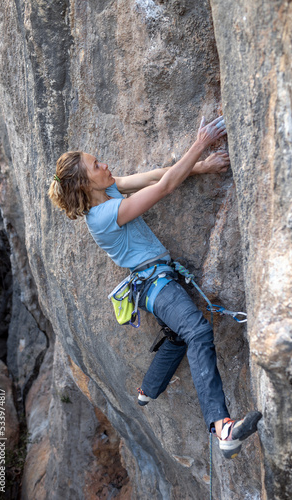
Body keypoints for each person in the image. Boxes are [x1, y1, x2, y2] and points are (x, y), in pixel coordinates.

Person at [48, 115, 262, 459]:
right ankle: (222, 426)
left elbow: (153, 177)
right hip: (155, 285)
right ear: (86, 186)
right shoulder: (104, 216)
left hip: (155, 281)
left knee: (179, 335)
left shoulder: (109, 190)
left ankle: (148, 389)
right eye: (96, 165)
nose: (104, 164)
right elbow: (162, 189)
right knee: (196, 331)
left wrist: (202, 167)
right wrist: (200, 143)